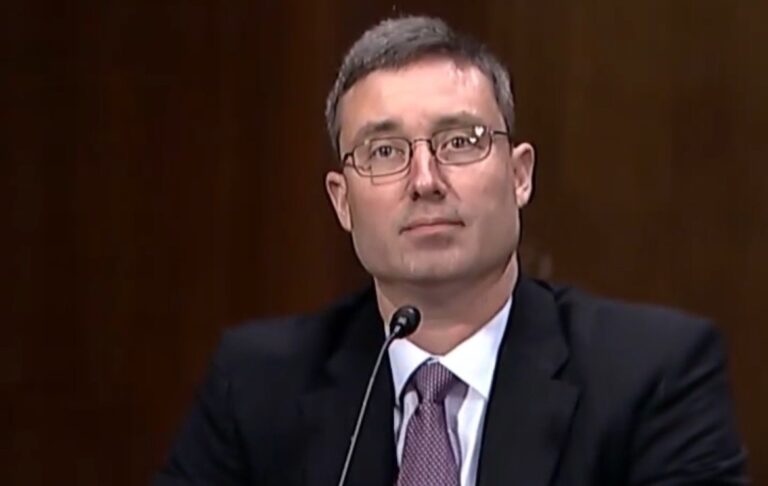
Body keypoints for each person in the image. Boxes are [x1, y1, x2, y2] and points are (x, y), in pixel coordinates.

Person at [154, 16, 748, 485]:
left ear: (519, 175)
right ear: (342, 201)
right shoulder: (257, 384)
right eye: (384, 152)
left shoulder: (652, 376)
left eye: (460, 141)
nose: (425, 180)